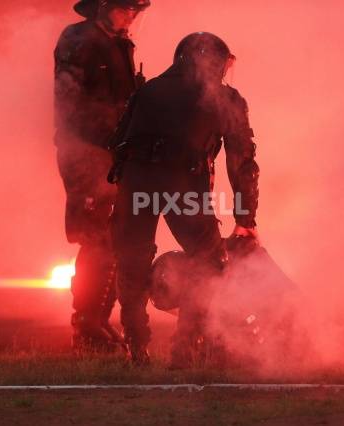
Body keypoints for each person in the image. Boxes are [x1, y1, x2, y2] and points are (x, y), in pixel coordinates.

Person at [108, 32, 260, 366]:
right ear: (215, 62)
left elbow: (117, 145)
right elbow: (242, 162)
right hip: (183, 190)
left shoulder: (146, 92)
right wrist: (245, 218)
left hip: (137, 187)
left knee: (131, 264)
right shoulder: (223, 98)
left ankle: (137, 350)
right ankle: (184, 350)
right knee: (207, 263)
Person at [54, 0, 151, 351]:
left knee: (113, 239)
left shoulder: (118, 43)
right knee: (96, 239)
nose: (132, 15)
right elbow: (71, 104)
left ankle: (97, 319)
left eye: (137, 10)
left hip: (111, 155)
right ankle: (85, 324)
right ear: (103, 6)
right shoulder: (79, 40)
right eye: (126, 7)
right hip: (87, 153)